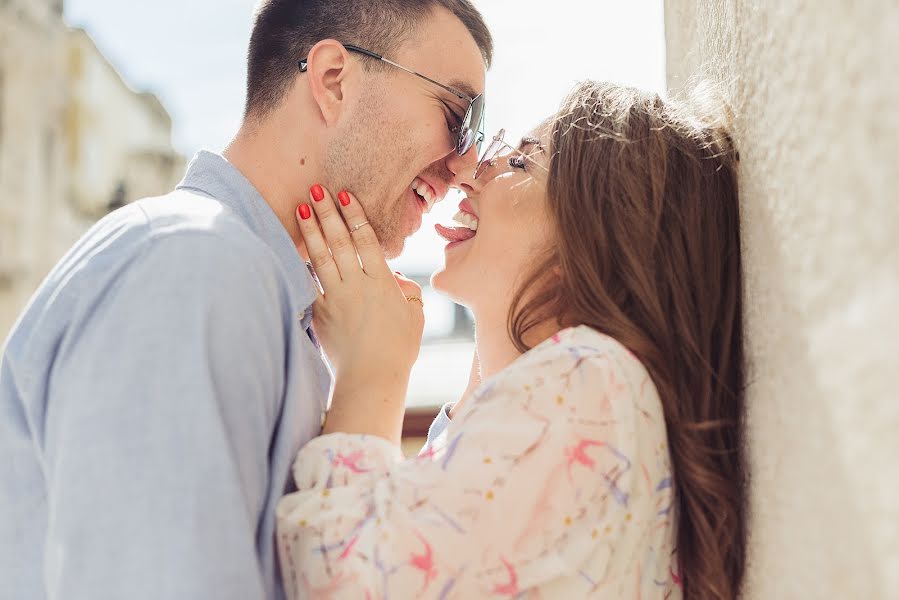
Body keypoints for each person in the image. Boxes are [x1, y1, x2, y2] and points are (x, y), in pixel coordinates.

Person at [0, 1, 492, 598]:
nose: (468, 166)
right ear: (334, 80)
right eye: (458, 113)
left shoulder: (257, 292)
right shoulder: (192, 265)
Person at [277, 81, 747, 599]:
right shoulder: (581, 403)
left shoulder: (591, 384)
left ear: (595, 237)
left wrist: (372, 371)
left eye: (522, 163)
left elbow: (340, 581)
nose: (472, 171)